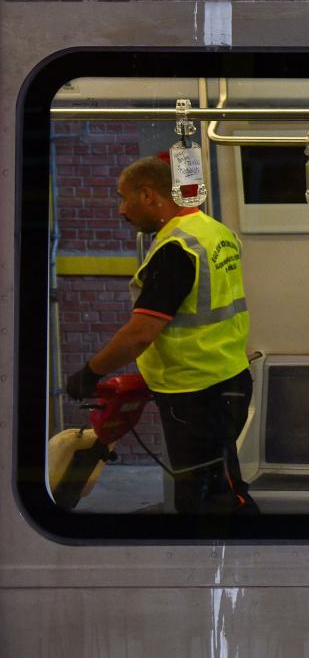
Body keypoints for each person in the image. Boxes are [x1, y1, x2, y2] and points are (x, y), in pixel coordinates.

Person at [65, 157, 256, 515]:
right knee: (210, 487)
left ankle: (238, 562)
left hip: (198, 393)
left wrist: (90, 372)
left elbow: (140, 333)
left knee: (215, 497)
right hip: (224, 377)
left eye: (124, 198)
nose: (122, 210)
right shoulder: (215, 232)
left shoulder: (176, 250)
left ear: (148, 194)